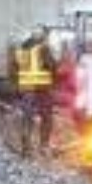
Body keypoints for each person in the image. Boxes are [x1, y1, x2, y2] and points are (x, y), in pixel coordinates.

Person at [9, 27, 57, 156]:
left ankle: (26, 147)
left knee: (27, 118)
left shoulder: (21, 50)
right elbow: (52, 66)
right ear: (42, 37)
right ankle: (44, 146)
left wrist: (16, 87)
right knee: (46, 118)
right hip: (42, 88)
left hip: (26, 88)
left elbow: (13, 71)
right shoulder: (43, 49)